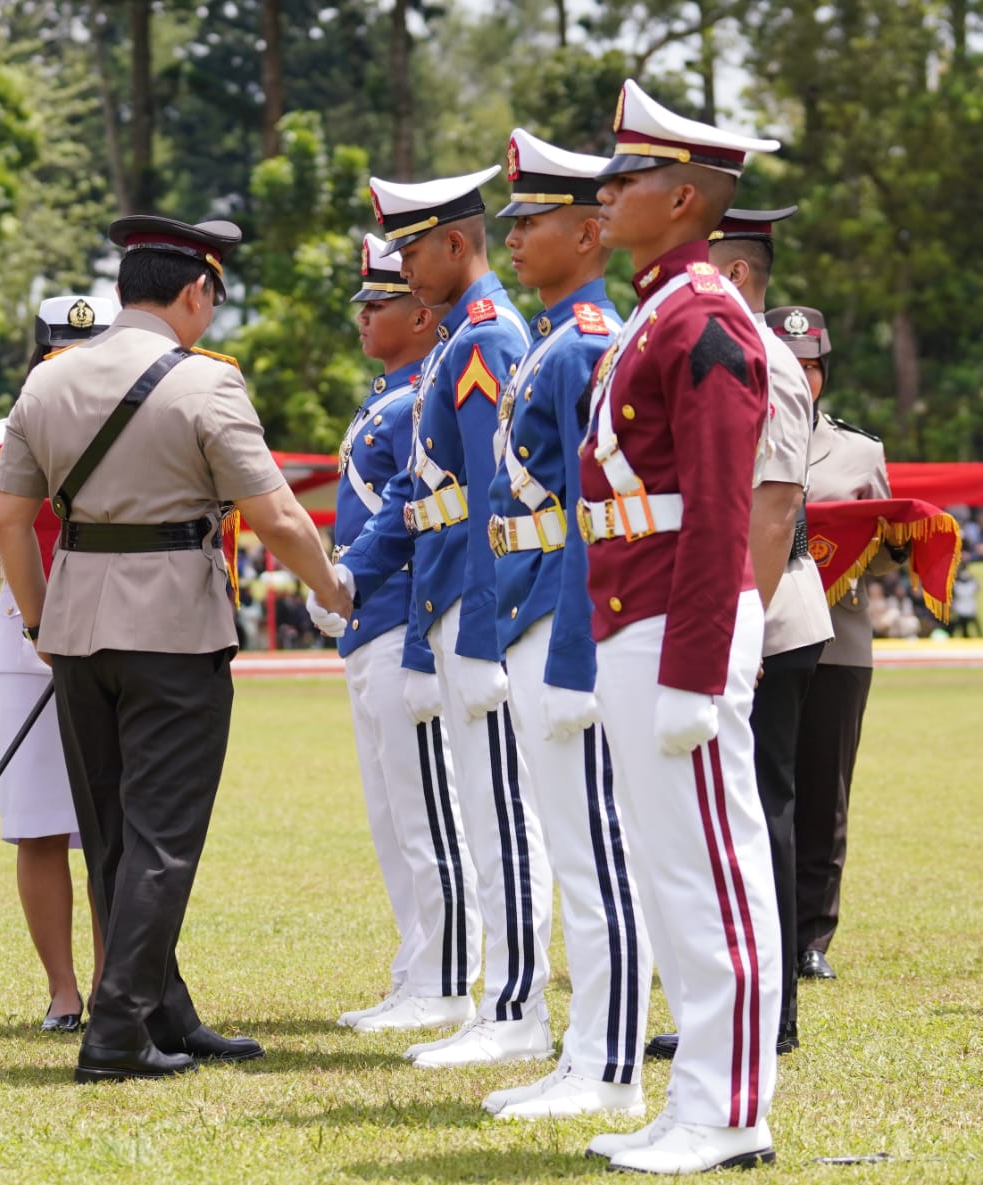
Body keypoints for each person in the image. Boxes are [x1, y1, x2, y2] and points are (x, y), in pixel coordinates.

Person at [0, 214, 352, 1083]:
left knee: (115, 830)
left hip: (77, 626)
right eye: (211, 301)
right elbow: (275, 515)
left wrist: (43, 624)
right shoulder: (207, 386)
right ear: (195, 292)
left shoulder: (46, 384)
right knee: (163, 836)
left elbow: (9, 521)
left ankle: (162, 1009)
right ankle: (116, 1031)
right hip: (174, 628)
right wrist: (333, 588)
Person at [578, 79, 783, 1173]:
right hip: (632, 613)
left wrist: (699, 671)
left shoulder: (701, 316)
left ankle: (731, 1109)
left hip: (676, 622)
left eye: (628, 179)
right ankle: (694, 1095)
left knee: (713, 869)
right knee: (670, 872)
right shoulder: (659, 309)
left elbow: (717, 502)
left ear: (688, 197)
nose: (606, 196)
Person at [321, 168, 555, 1071]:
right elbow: (429, 503)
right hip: (445, 603)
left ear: (456, 244)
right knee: (481, 814)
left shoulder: (489, 340)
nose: (404, 269)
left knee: (499, 813)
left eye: (413, 249)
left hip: (476, 606)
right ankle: (499, 1000)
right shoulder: (464, 340)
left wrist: (483, 626)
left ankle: (514, 1003)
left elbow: (499, 500)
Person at [481, 129, 651, 1119]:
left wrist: (579, 650)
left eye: (532, 221)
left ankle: (611, 1069)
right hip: (531, 605)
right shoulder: (554, 337)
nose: (514, 239)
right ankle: (587, 1051)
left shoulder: (587, 341)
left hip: (564, 609)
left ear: (590, 233)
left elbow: (594, 506)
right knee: (576, 844)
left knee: (594, 853)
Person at [643, 206, 834, 1060]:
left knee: (762, 811)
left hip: (767, 611)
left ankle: (771, 1011)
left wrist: (737, 630)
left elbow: (772, 510)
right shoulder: (718, 342)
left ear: (741, 273)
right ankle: (724, 1007)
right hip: (734, 609)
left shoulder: (768, 358)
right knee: (723, 813)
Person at [330, 235, 478, 1035]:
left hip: (400, 621)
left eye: (378, 302)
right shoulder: (392, 396)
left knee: (427, 810)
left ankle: (448, 978)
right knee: (395, 815)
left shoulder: (422, 399)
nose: (364, 316)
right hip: (367, 624)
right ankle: (417, 964)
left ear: (422, 316)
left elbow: (426, 525)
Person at [0, 294, 115, 1032]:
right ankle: (63, 990)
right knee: (37, 824)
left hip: (115, 627)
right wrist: (38, 618)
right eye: (60, 352)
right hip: (22, 637)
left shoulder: (134, 423)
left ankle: (109, 980)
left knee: (108, 825)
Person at [769, 305, 900, 980]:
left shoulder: (859, 450)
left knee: (825, 789)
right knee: (766, 787)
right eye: (789, 362)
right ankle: (762, 930)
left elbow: (884, 552)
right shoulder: (740, 435)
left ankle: (812, 937)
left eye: (812, 365)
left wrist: (886, 545)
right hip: (762, 632)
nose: (801, 375)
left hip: (840, 637)